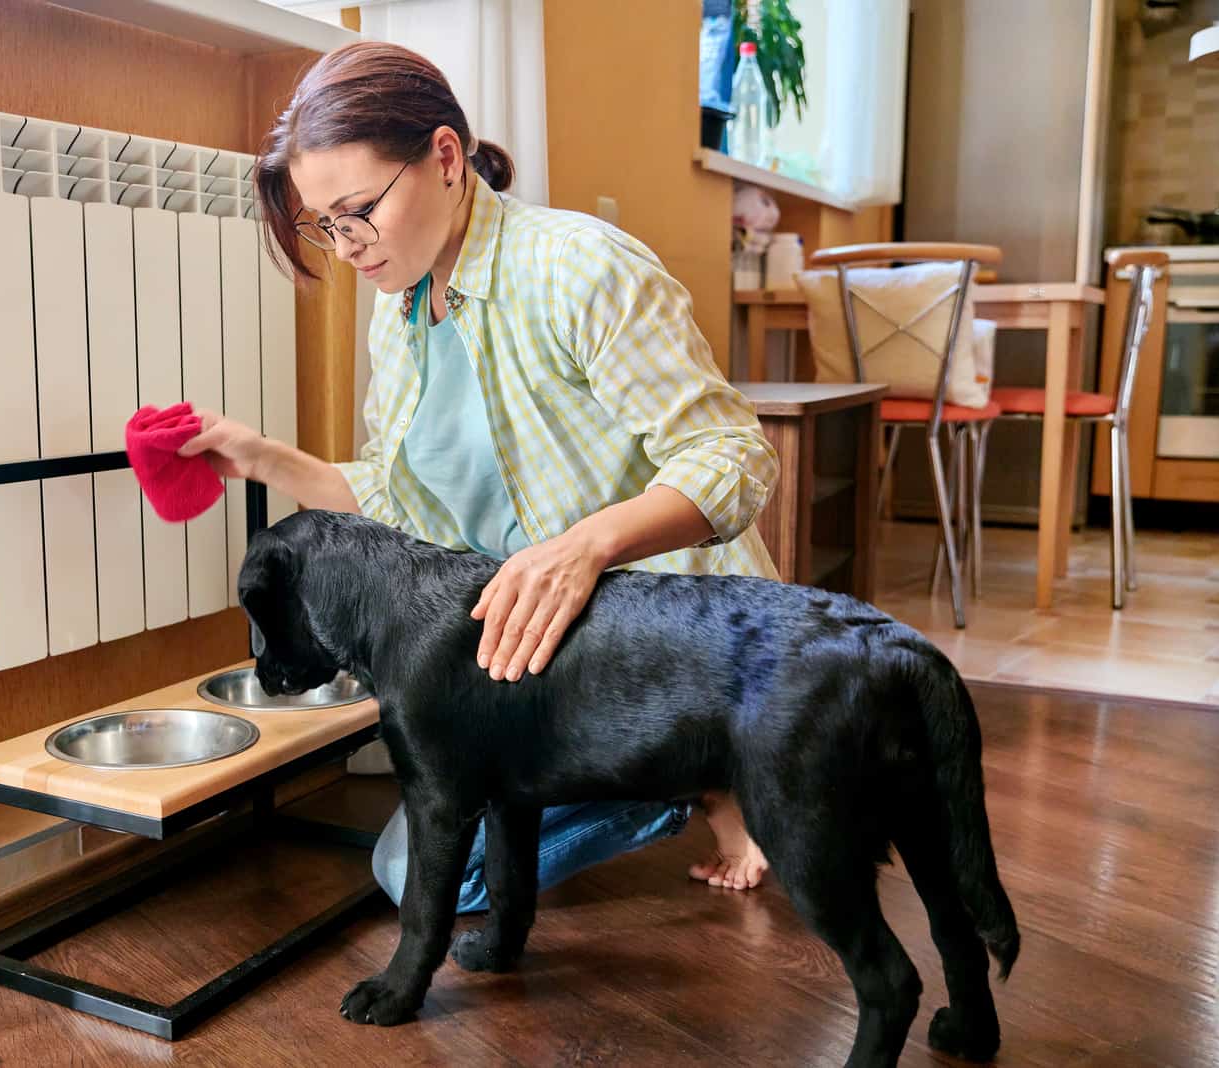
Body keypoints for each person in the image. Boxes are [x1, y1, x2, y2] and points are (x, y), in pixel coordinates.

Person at [178, 42, 776, 903]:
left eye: (358, 213)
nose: (346, 247)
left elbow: (733, 455)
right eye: (325, 224)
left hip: (662, 643)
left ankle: (707, 767)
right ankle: (676, 771)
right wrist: (266, 460)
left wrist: (585, 549)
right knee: (417, 872)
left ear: (446, 158)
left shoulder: (582, 267)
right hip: (540, 651)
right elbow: (396, 493)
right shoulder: (401, 314)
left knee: (441, 872)